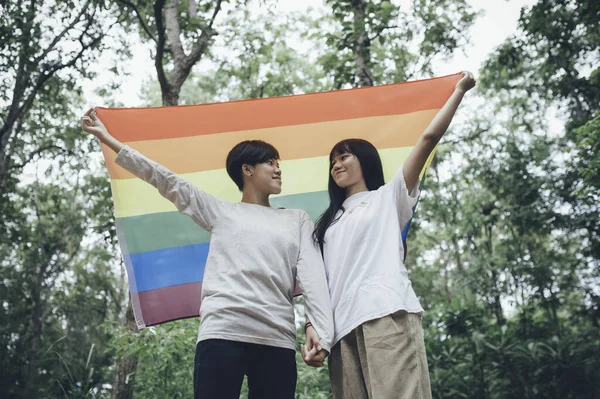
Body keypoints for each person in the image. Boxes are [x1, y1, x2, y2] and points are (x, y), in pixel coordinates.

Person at [80, 108, 334, 399]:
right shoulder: (220, 212)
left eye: (278, 164)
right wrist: (108, 139)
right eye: (269, 162)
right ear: (247, 170)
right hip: (222, 331)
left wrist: (321, 332)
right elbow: (166, 180)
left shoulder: (297, 219)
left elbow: (313, 278)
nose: (278, 169)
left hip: (277, 338)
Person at [304, 72, 476, 398]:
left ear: (364, 160)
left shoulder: (388, 197)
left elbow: (428, 139)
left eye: (344, 156)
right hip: (341, 334)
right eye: (332, 161)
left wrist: (459, 91)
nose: (336, 164)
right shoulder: (326, 224)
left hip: (386, 316)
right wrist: (312, 327)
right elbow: (318, 284)